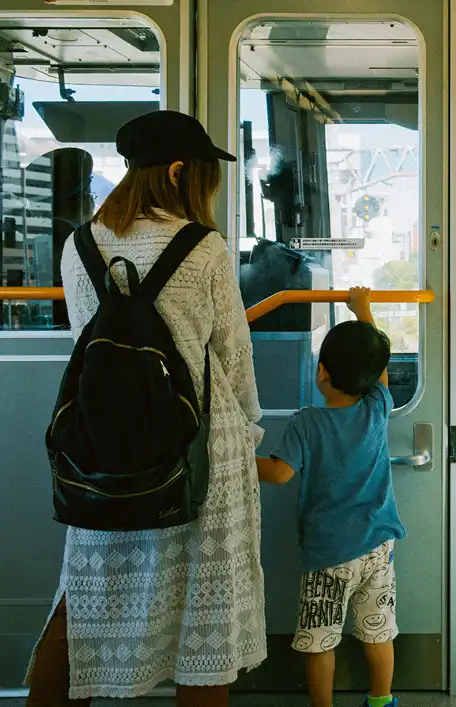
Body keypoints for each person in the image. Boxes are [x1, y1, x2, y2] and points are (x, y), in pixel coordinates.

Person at [25, 110, 267, 707]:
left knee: (84, 595)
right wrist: (251, 432)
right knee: (205, 614)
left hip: (104, 444)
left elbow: (88, 340)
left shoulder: (79, 244)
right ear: (182, 170)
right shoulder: (203, 248)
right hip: (198, 446)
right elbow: (232, 359)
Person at [256, 287, 406, 707]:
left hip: (328, 555)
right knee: (378, 630)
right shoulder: (378, 404)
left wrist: (233, 456)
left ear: (321, 372)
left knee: (320, 641)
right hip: (379, 545)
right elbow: (380, 370)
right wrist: (364, 311)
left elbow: (279, 473)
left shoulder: (308, 423)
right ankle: (381, 700)